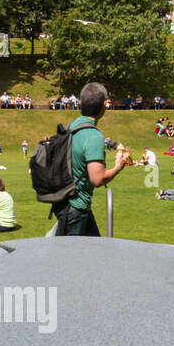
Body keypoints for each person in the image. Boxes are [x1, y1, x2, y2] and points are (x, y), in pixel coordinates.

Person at [50, 83, 130, 237]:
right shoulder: (94, 136)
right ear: (104, 104)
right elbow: (97, 179)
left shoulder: (70, 126)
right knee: (75, 259)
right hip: (75, 208)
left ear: (80, 102)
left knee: (96, 252)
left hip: (63, 201)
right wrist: (118, 166)